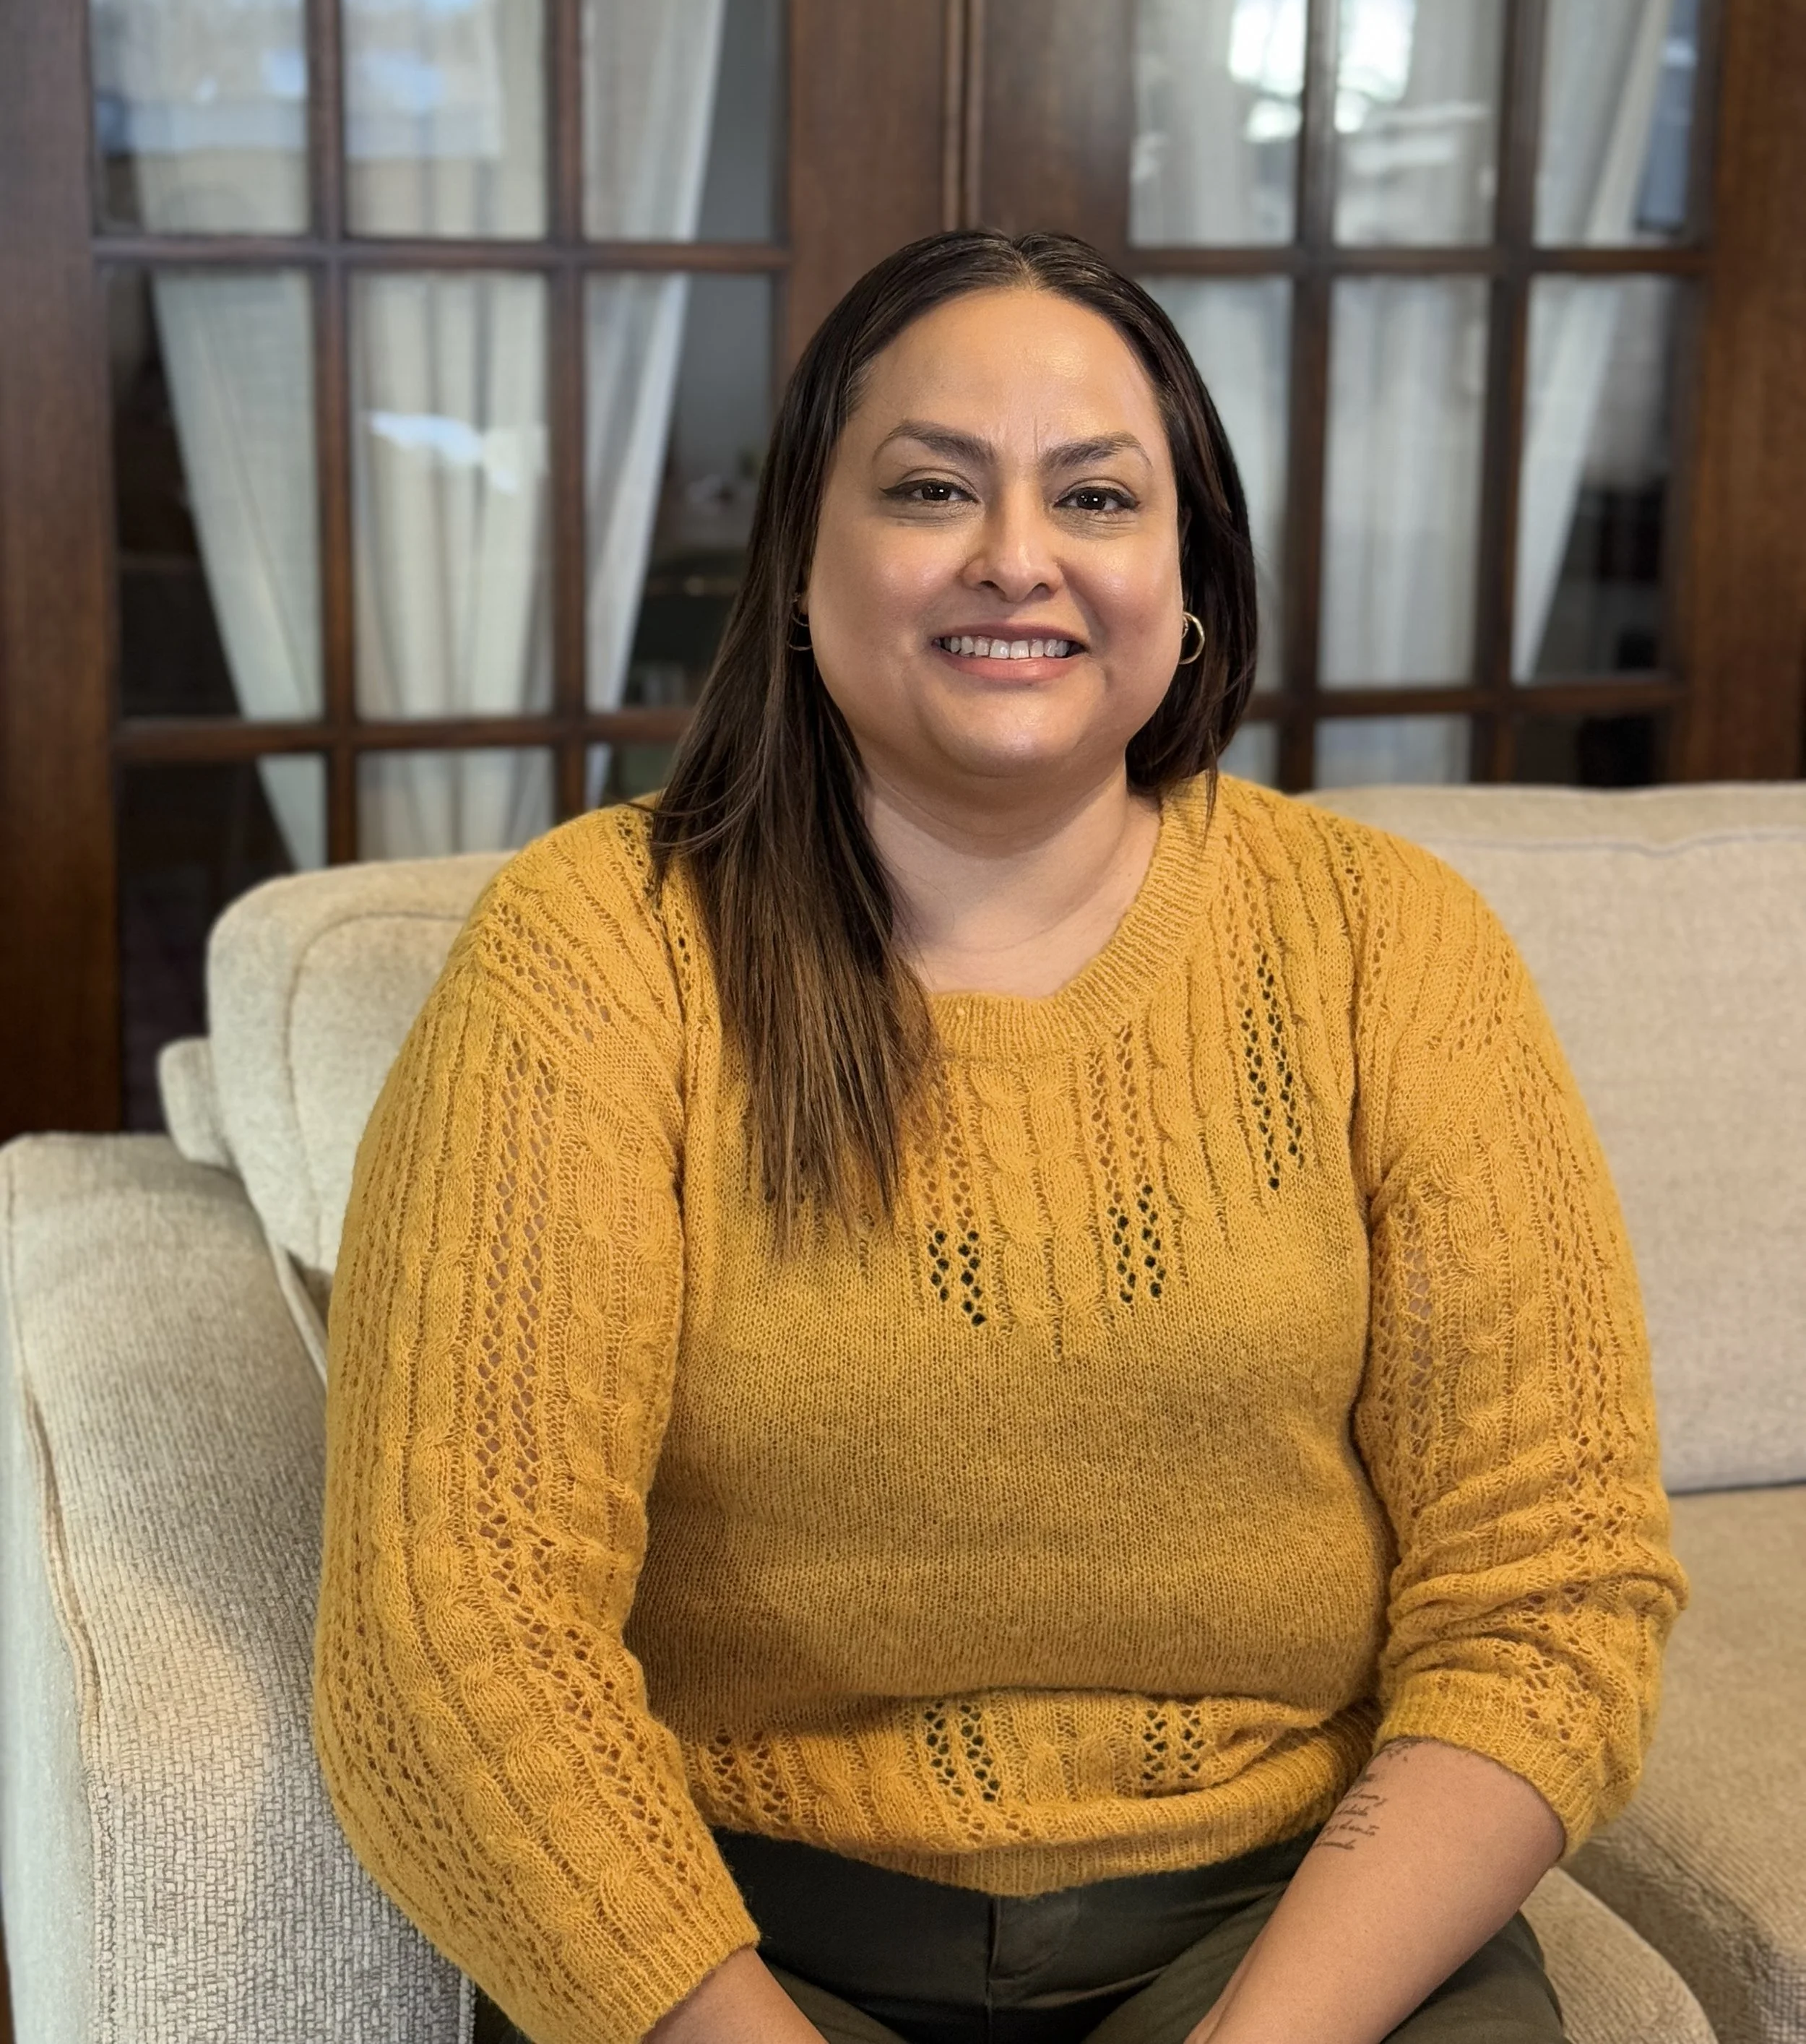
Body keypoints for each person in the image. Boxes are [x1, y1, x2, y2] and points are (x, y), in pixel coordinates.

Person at [314, 229, 1687, 2044]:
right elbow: (452, 1627)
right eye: (931, 487)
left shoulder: (1386, 947)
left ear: (1184, 572)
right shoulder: (595, 956)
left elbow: (1551, 1582)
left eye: (1095, 494)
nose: (1014, 555)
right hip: (736, 1942)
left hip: (1286, 1929)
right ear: (801, 562)